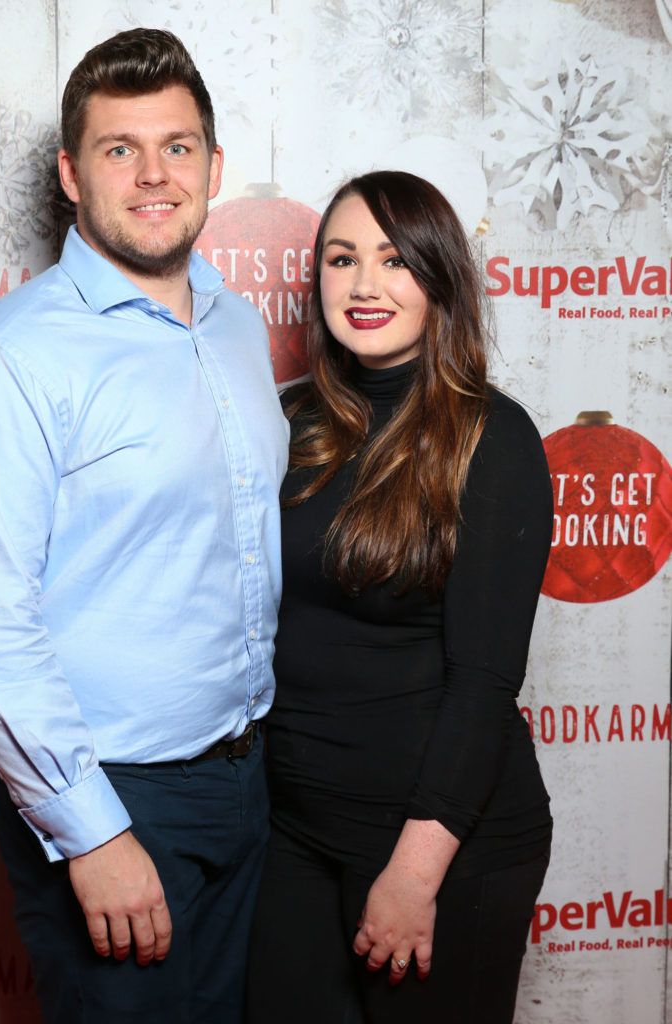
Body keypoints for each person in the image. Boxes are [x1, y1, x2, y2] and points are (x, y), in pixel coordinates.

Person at [0, 28, 288, 1024]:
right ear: (70, 176)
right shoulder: (10, 357)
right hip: (114, 797)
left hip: (244, 778)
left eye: (175, 146)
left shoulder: (236, 326)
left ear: (213, 169)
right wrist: (90, 832)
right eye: (119, 149)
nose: (153, 174)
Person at [246, 171, 553, 1024]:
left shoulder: (492, 437)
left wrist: (414, 877)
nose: (364, 284)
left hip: (442, 845)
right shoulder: (291, 423)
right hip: (297, 831)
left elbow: (484, 682)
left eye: (394, 260)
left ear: (439, 279)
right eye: (342, 259)